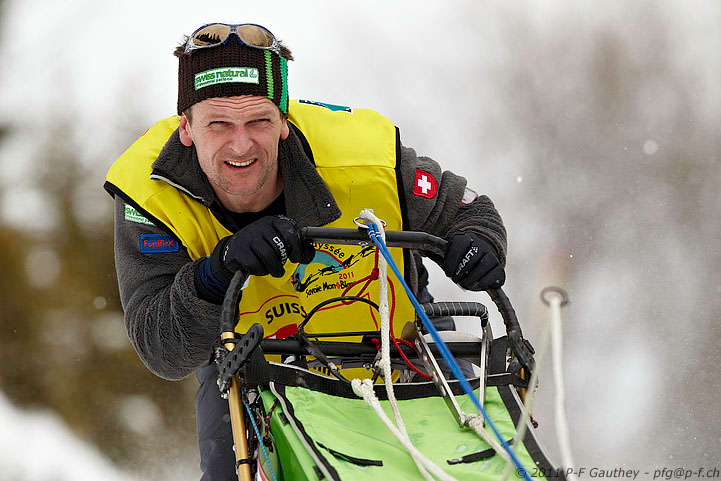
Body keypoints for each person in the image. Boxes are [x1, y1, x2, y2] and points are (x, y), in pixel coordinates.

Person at [105, 22, 507, 481]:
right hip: (254, 367)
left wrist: (480, 245)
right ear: (187, 129)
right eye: (219, 123)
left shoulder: (365, 156)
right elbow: (163, 350)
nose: (241, 145)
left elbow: (472, 210)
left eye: (259, 120)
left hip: (402, 343)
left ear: (283, 122)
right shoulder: (149, 194)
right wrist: (215, 273)